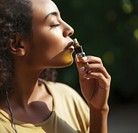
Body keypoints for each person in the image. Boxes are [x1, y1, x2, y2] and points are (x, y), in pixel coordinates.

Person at [0, 0, 111, 133]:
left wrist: (98, 110)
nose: (69, 29)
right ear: (18, 44)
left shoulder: (68, 97)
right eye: (54, 24)